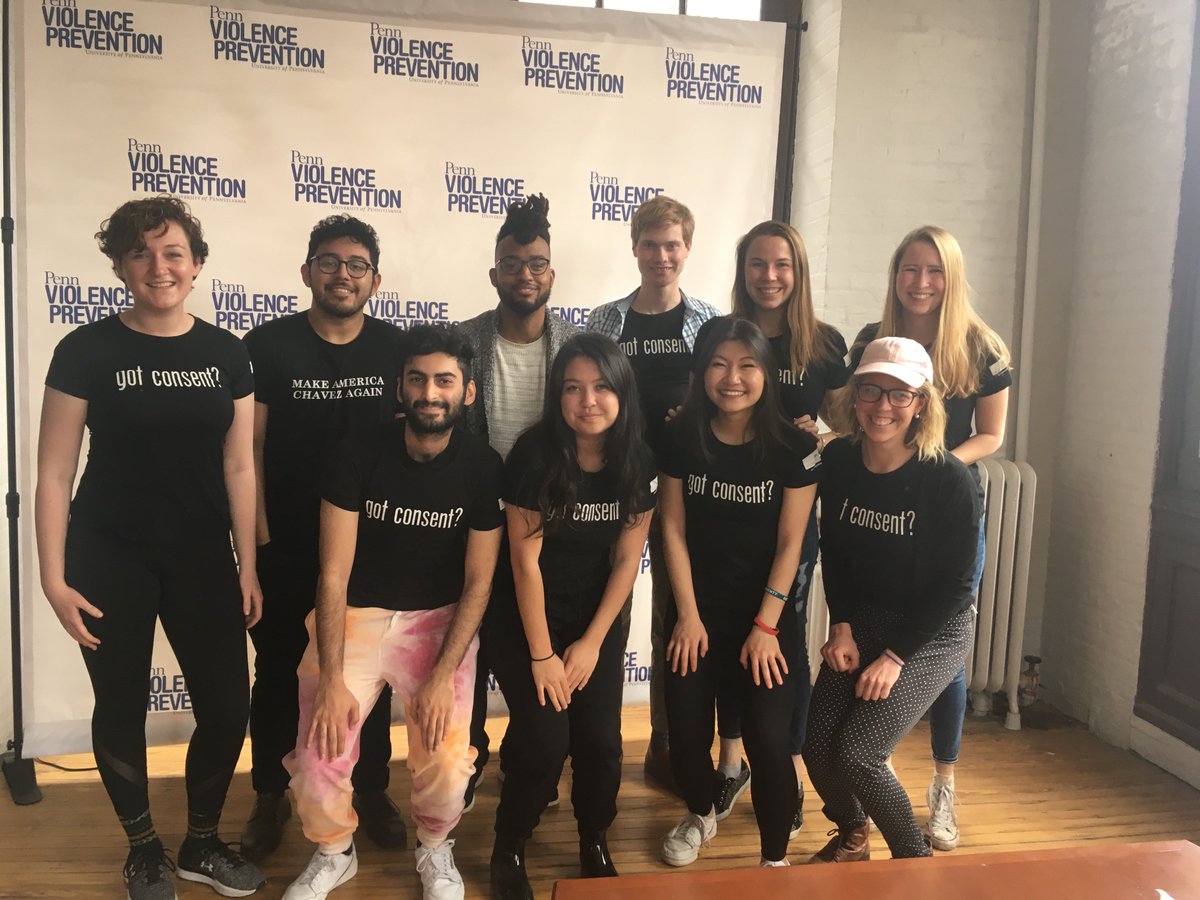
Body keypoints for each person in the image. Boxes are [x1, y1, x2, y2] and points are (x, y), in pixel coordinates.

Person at [35, 196, 266, 899]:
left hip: (201, 557)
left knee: (228, 707)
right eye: (140, 252)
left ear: (197, 266)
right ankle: (142, 847)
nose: (158, 267)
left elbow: (239, 466)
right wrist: (51, 578)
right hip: (109, 555)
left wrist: (248, 564)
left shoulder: (227, 355)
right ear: (119, 265)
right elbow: (51, 471)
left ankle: (200, 843)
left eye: (173, 253)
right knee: (120, 705)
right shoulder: (86, 349)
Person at [281, 325, 503, 900]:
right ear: (400, 388)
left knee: (450, 756)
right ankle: (334, 851)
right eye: (418, 379)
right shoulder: (357, 453)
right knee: (316, 756)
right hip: (355, 616)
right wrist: (331, 677)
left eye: (445, 381)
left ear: (468, 393)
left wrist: (440, 675)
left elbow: (480, 580)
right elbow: (332, 573)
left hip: (438, 623)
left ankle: (435, 846)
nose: (430, 392)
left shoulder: (482, 466)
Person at [241, 215, 406, 860]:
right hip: (284, 547)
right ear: (307, 271)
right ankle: (268, 796)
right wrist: (255, 548)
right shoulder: (268, 346)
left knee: (367, 675)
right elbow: (247, 450)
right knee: (279, 673)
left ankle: (369, 788)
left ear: (376, 279)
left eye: (357, 264)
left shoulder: (396, 351)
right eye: (330, 262)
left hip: (371, 550)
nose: (343, 274)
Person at [848, 225, 1011, 850]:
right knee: (880, 625)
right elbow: (854, 414)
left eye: (933, 270)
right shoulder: (872, 340)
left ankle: (944, 782)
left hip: (946, 510)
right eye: (909, 269)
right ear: (895, 275)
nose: (920, 282)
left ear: (952, 277)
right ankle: (877, 753)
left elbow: (992, 436)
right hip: (883, 512)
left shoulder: (981, 346)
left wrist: (934, 467)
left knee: (944, 648)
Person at [488, 335, 656, 899]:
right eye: (574, 388)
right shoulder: (533, 455)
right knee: (543, 741)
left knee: (601, 742)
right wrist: (543, 655)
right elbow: (523, 562)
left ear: (622, 393)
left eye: (603, 386)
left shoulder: (638, 459)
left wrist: (591, 644)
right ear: (557, 395)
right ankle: (509, 842)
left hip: (596, 618)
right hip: (526, 615)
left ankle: (594, 838)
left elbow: (628, 559)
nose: (589, 400)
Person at [803, 336, 980, 863]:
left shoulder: (947, 478)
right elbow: (833, 551)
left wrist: (896, 657)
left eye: (899, 394)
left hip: (934, 629)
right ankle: (854, 834)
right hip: (866, 618)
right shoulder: (840, 463)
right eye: (871, 390)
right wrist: (841, 626)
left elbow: (957, 587)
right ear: (855, 397)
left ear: (921, 402)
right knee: (814, 746)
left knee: (859, 754)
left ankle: (912, 862)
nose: (883, 406)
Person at [657, 317, 820, 869]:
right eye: (719, 365)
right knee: (683, 733)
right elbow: (672, 529)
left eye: (747, 365)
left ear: (766, 374)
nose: (733, 378)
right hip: (696, 616)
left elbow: (792, 541)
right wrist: (687, 615)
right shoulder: (681, 438)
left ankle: (774, 861)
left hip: (766, 623)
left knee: (771, 744)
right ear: (701, 372)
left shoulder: (796, 447)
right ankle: (701, 812)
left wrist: (766, 626)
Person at [716, 220, 850, 833]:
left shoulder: (823, 344)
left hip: (792, 515)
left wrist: (820, 435)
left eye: (782, 265)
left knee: (783, 641)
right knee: (727, 633)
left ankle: (785, 766)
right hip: (727, 511)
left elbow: (849, 429)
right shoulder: (726, 336)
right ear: (742, 272)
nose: (769, 277)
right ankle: (731, 759)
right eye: (757, 265)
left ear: (797, 273)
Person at [585, 196, 720, 798]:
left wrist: (693, 415)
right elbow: (585, 400)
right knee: (594, 603)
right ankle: (586, 739)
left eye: (673, 245)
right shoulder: (604, 321)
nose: (661, 256)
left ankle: (667, 741)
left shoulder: (710, 323)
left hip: (686, 492)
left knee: (672, 614)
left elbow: (732, 399)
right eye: (651, 244)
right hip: (612, 483)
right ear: (634, 248)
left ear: (687, 250)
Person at [458, 194, 581, 807]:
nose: (525, 275)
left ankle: (532, 755)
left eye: (536, 263)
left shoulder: (578, 349)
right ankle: (469, 754)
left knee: (541, 649)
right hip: (474, 523)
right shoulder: (463, 342)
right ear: (494, 273)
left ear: (551, 273)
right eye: (512, 263)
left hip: (552, 527)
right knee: (470, 654)